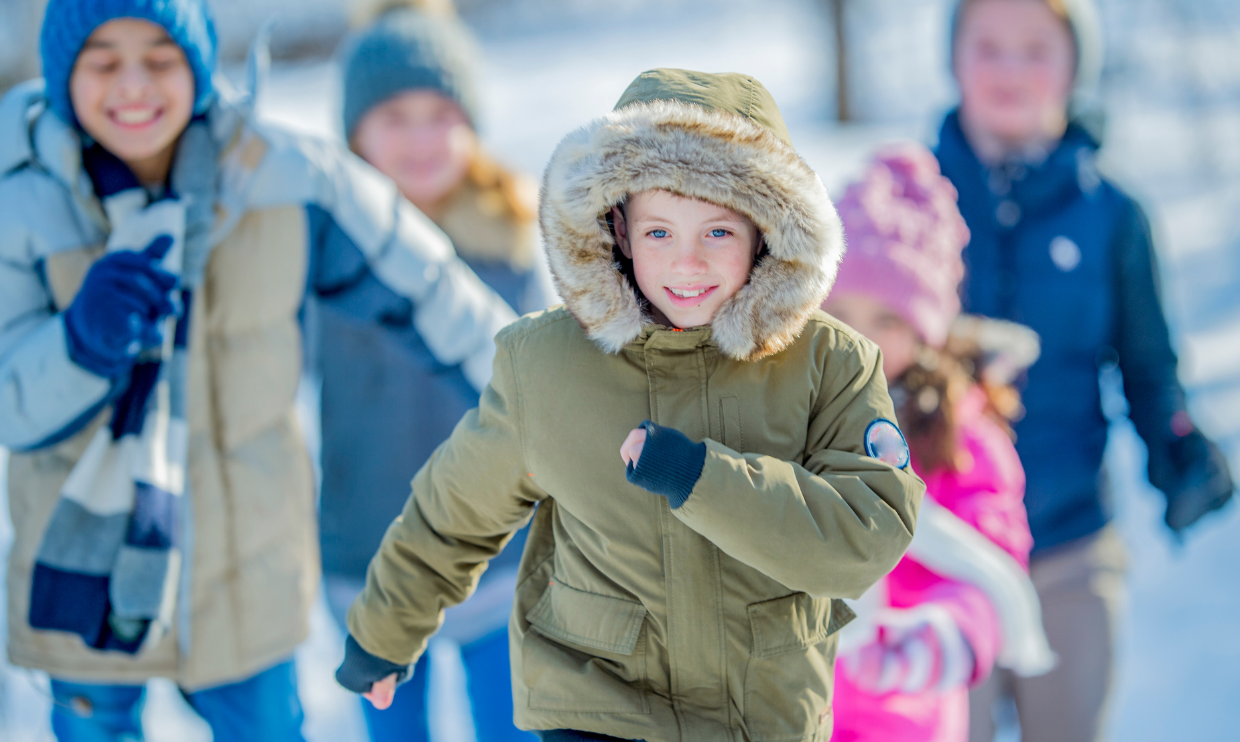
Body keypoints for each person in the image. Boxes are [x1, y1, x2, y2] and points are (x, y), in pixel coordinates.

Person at [333, 68, 925, 742]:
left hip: (760, 714)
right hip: (597, 704)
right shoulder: (549, 363)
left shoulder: (831, 364)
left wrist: (701, 479)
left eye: (719, 233)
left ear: (766, 230)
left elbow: (865, 535)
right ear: (617, 231)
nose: (688, 263)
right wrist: (385, 629)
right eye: (660, 234)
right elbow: (454, 513)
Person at [0, 0, 517, 739]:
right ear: (62, 74)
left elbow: (436, 297)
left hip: (246, 580)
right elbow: (10, 402)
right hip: (88, 575)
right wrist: (79, 342)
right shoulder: (19, 200)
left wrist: (559, 412)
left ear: (201, 62)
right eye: (104, 62)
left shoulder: (285, 180)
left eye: (160, 57)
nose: (135, 87)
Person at [934, 1, 1236, 740]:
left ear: (1076, 66)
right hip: (938, 546)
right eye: (990, 47)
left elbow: (1147, 366)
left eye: (1036, 49)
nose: (1011, 70)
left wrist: (1179, 449)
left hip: (1068, 543)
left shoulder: (1113, 214)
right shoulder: (912, 196)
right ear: (954, 57)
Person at [318, 4, 554, 741]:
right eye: (395, 115)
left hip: (498, 558)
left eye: (440, 113)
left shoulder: (507, 238)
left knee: (510, 723)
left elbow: (543, 389)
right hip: (371, 557)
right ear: (354, 131)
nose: (421, 138)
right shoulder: (323, 248)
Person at [822, 146, 1053, 742]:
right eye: (840, 312)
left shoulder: (955, 431)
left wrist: (948, 633)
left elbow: (991, 544)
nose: (859, 339)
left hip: (899, 707)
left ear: (925, 332)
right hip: (791, 703)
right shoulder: (795, 411)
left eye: (887, 320)